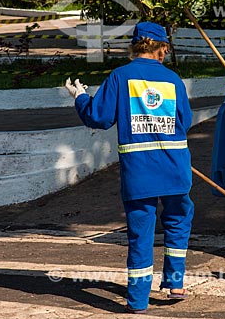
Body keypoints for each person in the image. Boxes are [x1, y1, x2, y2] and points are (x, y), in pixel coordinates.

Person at [65, 21, 194, 315]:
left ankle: (137, 301)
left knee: (140, 233)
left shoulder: (120, 77)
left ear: (136, 45)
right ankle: (175, 284)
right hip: (175, 167)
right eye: (165, 47)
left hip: (140, 174)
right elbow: (184, 121)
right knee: (178, 221)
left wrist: (81, 98)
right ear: (161, 48)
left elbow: (99, 117)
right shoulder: (173, 80)